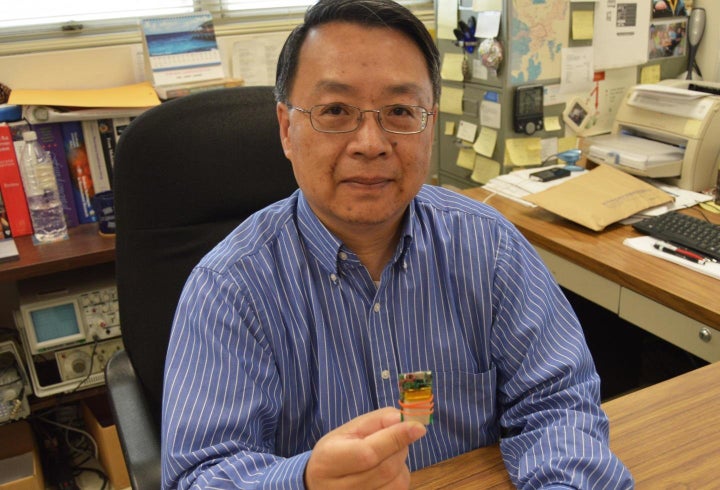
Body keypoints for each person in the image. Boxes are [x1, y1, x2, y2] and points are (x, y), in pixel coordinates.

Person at [161, 1, 634, 488]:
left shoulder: (487, 246)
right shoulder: (229, 287)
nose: (370, 142)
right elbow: (199, 475)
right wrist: (301, 482)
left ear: (429, 125)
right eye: (336, 111)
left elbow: (558, 403)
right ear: (286, 128)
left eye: (401, 111)